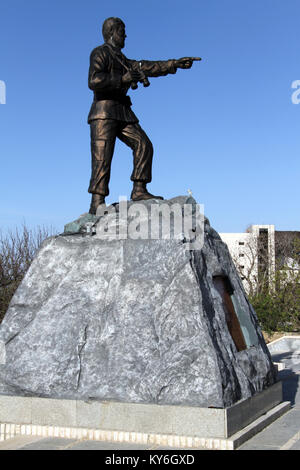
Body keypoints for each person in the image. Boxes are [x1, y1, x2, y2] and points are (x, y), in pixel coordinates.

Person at [88, 17, 199, 214]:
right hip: (104, 112)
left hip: (122, 111)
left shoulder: (123, 59)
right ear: (112, 32)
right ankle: (97, 202)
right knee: (102, 158)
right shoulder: (100, 53)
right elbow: (94, 80)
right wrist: (122, 79)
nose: (126, 36)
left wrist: (174, 64)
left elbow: (147, 66)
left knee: (144, 144)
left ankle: (139, 190)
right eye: (122, 32)